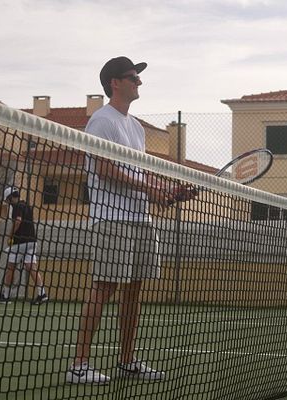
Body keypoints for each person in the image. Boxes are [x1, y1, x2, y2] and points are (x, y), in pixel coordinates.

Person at [66, 56, 195, 385]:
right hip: (112, 220)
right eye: (133, 78)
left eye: (138, 78)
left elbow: (138, 173)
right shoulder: (101, 121)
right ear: (115, 83)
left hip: (140, 220)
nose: (139, 83)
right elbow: (105, 169)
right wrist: (151, 188)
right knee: (103, 288)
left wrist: (166, 190)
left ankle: (126, 360)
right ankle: (79, 365)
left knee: (134, 291)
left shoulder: (135, 127)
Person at [0, 187, 49, 305]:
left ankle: (5, 296)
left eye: (7, 200)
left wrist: (10, 236)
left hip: (20, 243)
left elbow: (18, 221)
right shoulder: (27, 206)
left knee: (11, 267)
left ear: (10, 198)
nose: (7, 202)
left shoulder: (17, 207)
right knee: (31, 267)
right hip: (32, 241)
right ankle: (42, 294)